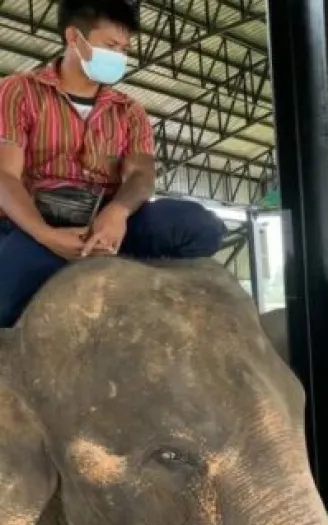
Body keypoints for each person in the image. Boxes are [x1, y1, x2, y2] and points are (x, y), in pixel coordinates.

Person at [0, 0, 225, 327]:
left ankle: (112, 260)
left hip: (107, 220)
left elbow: (141, 173)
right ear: (74, 37)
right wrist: (47, 236)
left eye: (124, 49)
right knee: (4, 301)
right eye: (110, 46)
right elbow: (5, 175)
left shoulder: (130, 111)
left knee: (201, 227)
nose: (119, 56)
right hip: (39, 222)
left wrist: (117, 213)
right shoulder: (18, 91)